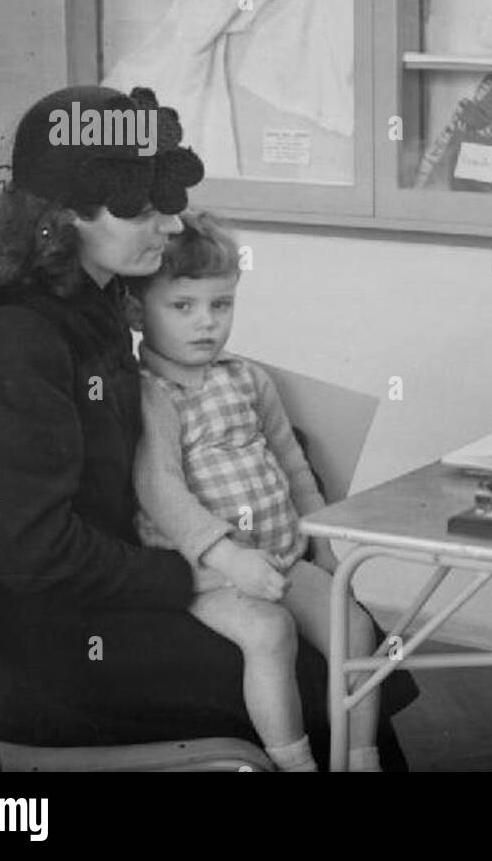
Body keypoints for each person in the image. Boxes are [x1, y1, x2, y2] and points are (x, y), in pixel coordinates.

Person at [0, 85, 414, 766]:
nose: (169, 222)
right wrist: (198, 576)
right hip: (52, 650)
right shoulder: (12, 335)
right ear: (65, 212)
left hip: (108, 594)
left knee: (348, 632)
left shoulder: (92, 298)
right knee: (308, 659)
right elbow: (31, 553)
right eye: (144, 206)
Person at [127, 211, 382, 772]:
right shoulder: (151, 395)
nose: (207, 324)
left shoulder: (247, 377)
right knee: (270, 633)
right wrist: (229, 559)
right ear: (137, 310)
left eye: (222, 305)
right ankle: (295, 763)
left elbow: (292, 464)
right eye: (183, 306)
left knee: (357, 626)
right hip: (207, 573)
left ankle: (361, 757)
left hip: (284, 555)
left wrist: (322, 541)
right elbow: (160, 489)